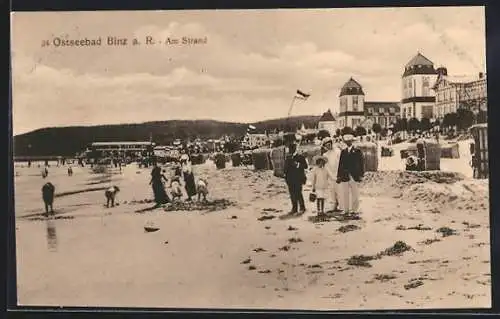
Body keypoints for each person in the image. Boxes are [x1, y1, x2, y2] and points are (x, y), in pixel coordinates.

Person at [337, 134, 364, 213]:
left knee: (355, 192)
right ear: (345, 142)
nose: (348, 142)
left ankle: (355, 209)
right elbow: (340, 164)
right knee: (345, 193)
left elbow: (361, 163)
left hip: (354, 174)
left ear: (352, 141)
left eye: (349, 141)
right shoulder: (343, 152)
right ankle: (346, 209)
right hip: (345, 175)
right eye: (347, 141)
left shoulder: (357, 151)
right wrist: (339, 175)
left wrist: (361, 174)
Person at [284, 138, 308, 215]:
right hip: (290, 179)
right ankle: (294, 209)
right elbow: (285, 169)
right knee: (292, 194)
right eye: (290, 149)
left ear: (295, 149)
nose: (291, 150)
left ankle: (302, 207)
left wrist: (297, 165)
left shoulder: (300, 157)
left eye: (292, 149)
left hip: (298, 178)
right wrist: (286, 177)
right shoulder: (287, 158)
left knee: (298, 193)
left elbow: (306, 166)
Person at [321, 137, 342, 212]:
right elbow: (326, 166)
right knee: (332, 191)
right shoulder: (325, 155)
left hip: (338, 173)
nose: (328, 146)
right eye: (326, 145)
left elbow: (341, 163)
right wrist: (330, 175)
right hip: (331, 175)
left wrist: (339, 174)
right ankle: (334, 205)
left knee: (340, 190)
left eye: (329, 144)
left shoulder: (338, 151)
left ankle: (341, 205)